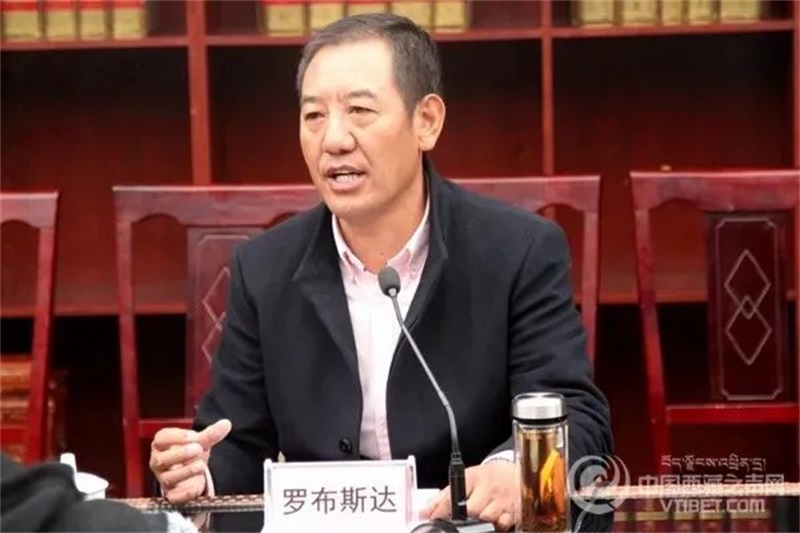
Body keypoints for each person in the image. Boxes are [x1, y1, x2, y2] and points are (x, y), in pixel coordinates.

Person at [149, 12, 612, 531]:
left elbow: (574, 412)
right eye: (313, 115)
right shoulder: (264, 269)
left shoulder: (518, 251)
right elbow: (236, 440)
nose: (333, 139)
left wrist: (513, 467)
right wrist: (198, 476)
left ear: (426, 121)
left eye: (360, 110)